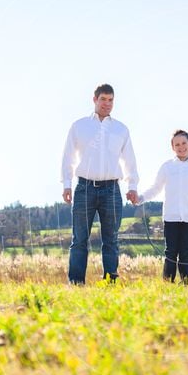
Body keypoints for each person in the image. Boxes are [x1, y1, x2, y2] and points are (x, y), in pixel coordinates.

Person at [61, 83, 139, 284]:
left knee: (111, 239)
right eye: (103, 99)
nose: (107, 103)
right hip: (84, 188)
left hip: (112, 190)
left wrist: (132, 187)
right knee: (79, 239)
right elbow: (68, 156)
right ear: (94, 99)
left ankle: (110, 281)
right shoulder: (79, 126)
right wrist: (66, 184)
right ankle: (76, 282)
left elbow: (130, 160)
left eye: (111, 100)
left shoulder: (121, 129)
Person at [137, 130, 188, 284]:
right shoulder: (167, 167)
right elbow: (156, 187)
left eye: (184, 143)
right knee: (170, 251)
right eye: (177, 144)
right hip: (171, 217)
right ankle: (167, 282)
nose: (181, 147)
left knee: (185, 251)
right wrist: (141, 198)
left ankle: (185, 281)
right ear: (172, 147)